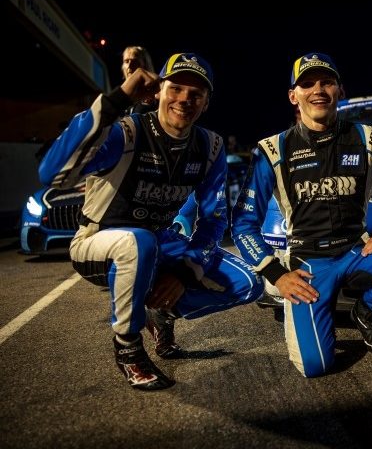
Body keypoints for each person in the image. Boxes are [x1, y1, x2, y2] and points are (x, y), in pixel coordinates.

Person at [38, 53, 264, 390]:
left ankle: (163, 312)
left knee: (250, 283)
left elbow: (214, 220)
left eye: (196, 94)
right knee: (137, 241)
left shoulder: (210, 147)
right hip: (96, 242)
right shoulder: (126, 132)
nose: (184, 99)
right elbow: (53, 174)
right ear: (158, 92)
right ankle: (128, 348)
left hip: (159, 242)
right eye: (176, 88)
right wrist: (116, 100)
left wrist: (185, 273)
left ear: (206, 103)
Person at [231, 52, 372, 377]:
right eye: (307, 84)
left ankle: (366, 311)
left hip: (356, 250)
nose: (318, 90)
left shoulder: (369, 138)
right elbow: (243, 224)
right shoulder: (272, 150)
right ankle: (315, 320)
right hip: (308, 263)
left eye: (326, 82)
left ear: (339, 90)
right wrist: (277, 274)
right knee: (314, 366)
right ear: (293, 96)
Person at [120, 46, 157, 114]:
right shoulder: (120, 95)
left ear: (144, 64)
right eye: (126, 61)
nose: (129, 66)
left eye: (134, 61)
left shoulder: (156, 92)